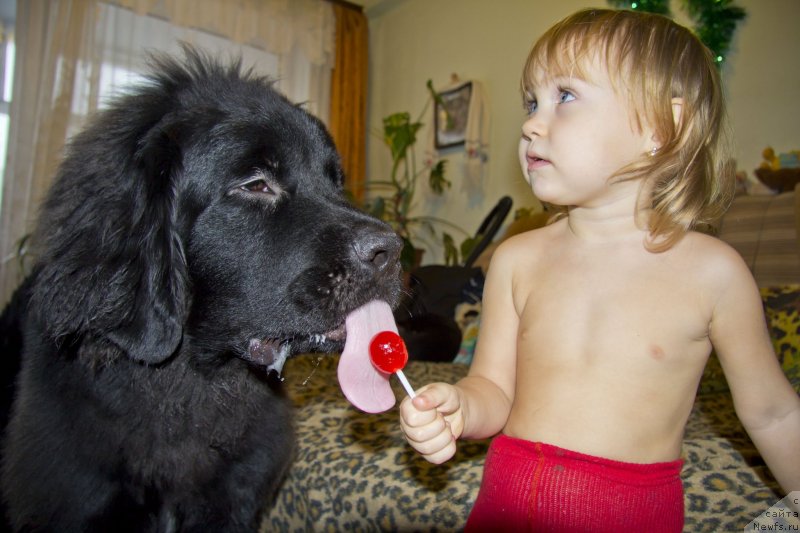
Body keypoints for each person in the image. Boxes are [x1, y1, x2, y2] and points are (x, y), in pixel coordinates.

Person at [398, 8, 800, 532]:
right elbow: (493, 389)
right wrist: (459, 409)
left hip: (632, 514)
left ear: (663, 125)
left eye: (565, 96)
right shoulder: (517, 259)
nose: (531, 124)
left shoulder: (714, 273)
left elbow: (774, 413)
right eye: (532, 102)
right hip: (505, 501)